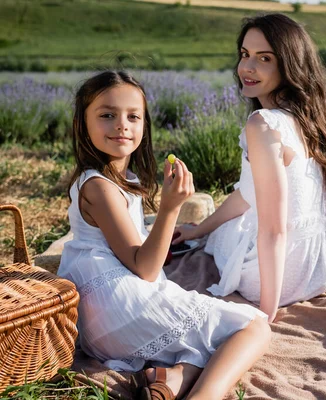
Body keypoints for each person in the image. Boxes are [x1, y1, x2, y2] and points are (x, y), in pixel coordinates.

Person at [57, 71, 270, 400]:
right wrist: (171, 208)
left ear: (144, 124)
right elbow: (145, 268)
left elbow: (133, 248)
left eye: (133, 116)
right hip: (117, 308)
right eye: (107, 115)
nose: (122, 125)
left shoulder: (112, 179)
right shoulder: (98, 187)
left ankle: (170, 380)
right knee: (253, 326)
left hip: (102, 315)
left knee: (209, 339)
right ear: (82, 123)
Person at [173, 14, 326, 322]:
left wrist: (266, 313)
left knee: (227, 235)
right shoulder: (306, 117)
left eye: (264, 58)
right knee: (219, 228)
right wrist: (198, 230)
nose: (247, 69)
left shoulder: (263, 124)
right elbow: (249, 194)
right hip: (324, 264)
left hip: (277, 277)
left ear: (288, 65)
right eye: (245, 55)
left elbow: (273, 230)